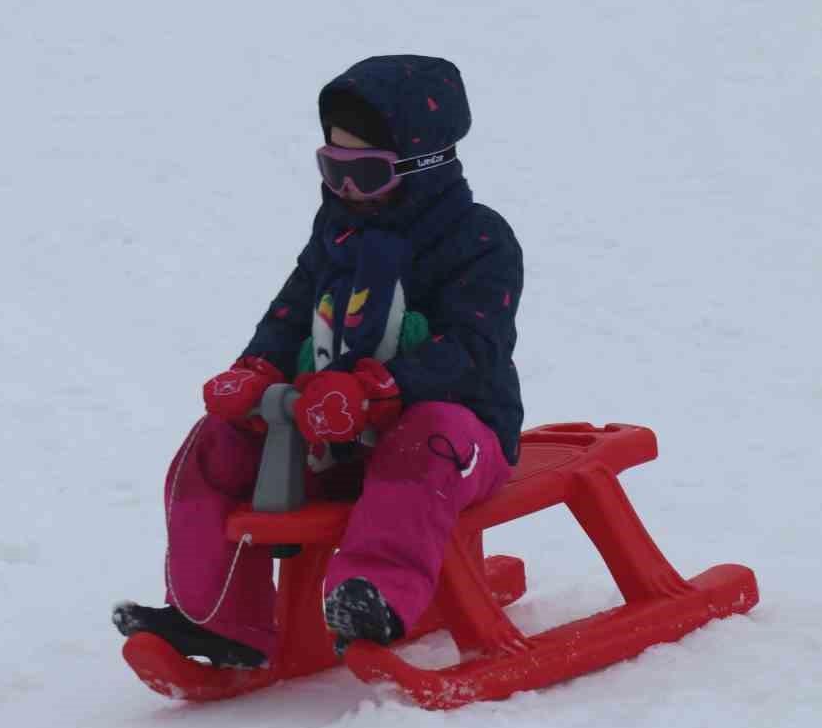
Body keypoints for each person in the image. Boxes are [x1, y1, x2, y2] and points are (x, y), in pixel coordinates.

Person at [113, 55, 523, 668]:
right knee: (216, 442)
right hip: (335, 433)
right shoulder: (337, 233)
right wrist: (255, 372)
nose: (346, 190)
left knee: (425, 436)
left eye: (364, 172)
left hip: (459, 442)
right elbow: (292, 309)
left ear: (424, 165)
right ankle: (218, 619)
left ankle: (373, 597)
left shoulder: (479, 239)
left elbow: (474, 348)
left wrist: (382, 387)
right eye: (332, 169)